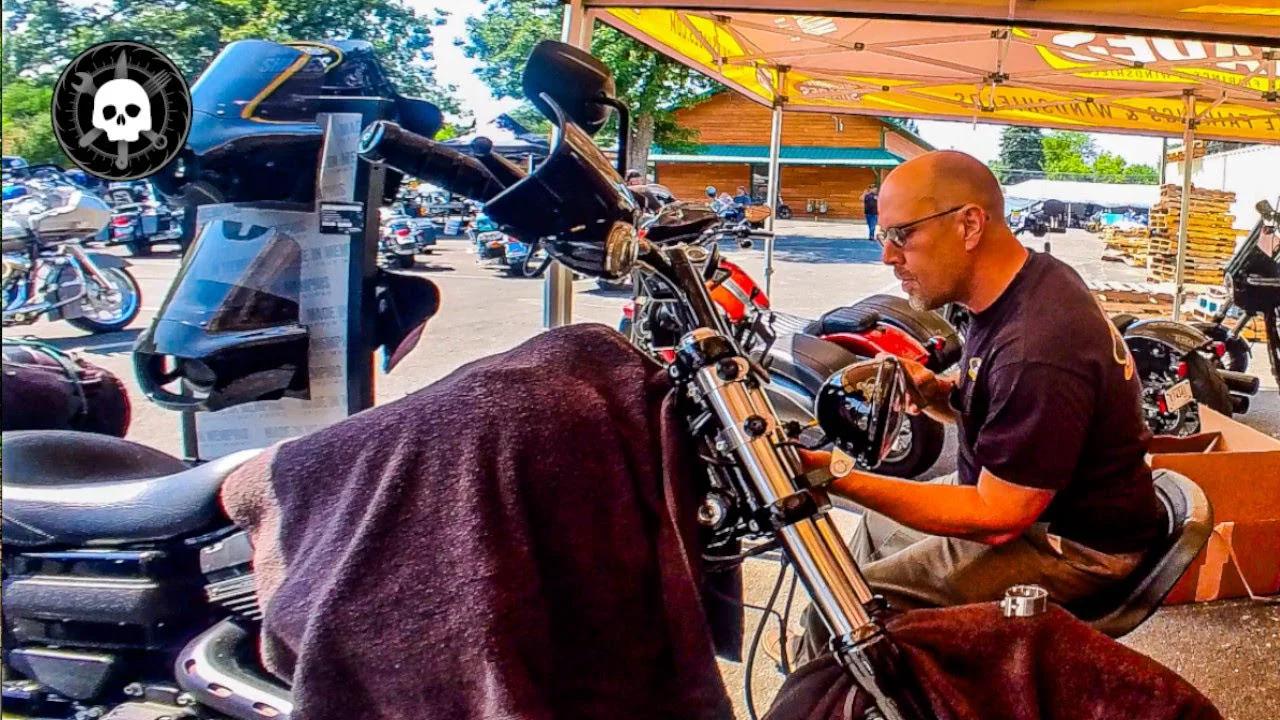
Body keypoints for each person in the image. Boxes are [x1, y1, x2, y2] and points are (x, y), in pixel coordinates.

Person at [796, 150, 1163, 662]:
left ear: (969, 224)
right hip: (1029, 499)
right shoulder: (1023, 284)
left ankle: (848, 689)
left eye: (902, 235)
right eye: (883, 236)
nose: (888, 257)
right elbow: (996, 407)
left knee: (841, 610)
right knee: (872, 535)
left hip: (1076, 545)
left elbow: (1000, 517)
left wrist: (833, 474)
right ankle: (879, 681)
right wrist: (934, 392)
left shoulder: (1037, 342)